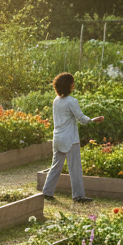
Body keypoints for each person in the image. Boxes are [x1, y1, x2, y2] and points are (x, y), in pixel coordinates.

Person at [41, 72, 104, 204]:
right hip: (70, 139)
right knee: (75, 168)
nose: (74, 84)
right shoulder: (72, 101)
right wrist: (93, 120)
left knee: (55, 166)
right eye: (72, 83)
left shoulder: (56, 101)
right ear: (68, 85)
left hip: (57, 138)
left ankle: (47, 192)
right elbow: (81, 119)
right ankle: (78, 196)